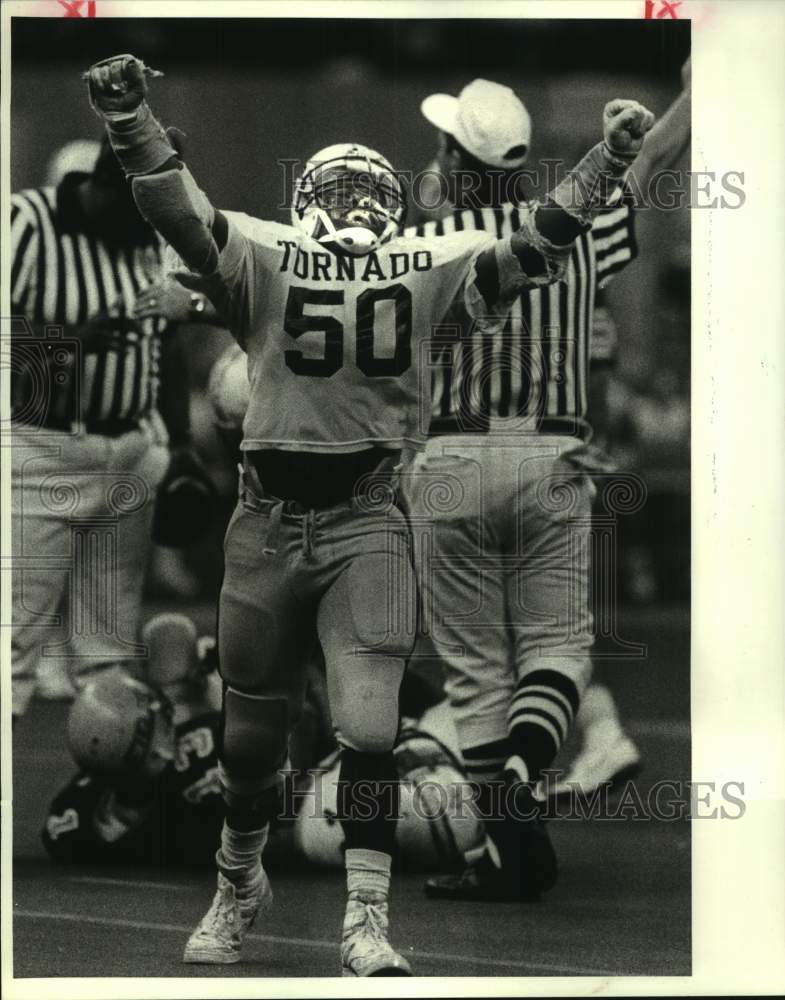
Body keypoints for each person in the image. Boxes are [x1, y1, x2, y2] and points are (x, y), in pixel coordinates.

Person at [85, 51, 652, 975]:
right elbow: (172, 206)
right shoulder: (278, 257)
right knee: (249, 743)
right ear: (316, 197)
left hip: (364, 521)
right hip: (269, 524)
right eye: (339, 191)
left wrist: (604, 165)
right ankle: (238, 884)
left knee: (371, 731)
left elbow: (537, 245)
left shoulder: (411, 262)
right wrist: (130, 120)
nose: (351, 208)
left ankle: (365, 916)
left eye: (362, 192)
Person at [404, 73, 689, 901]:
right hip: (553, 459)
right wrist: (690, 97)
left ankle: (503, 837)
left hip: (452, 464)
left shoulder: (432, 238)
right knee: (557, 650)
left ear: (460, 164)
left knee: (474, 673)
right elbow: (647, 161)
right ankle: (526, 778)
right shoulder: (580, 227)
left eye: (446, 145)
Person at [10, 136, 215, 720]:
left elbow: (169, 344)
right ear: (112, 188)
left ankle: (111, 800)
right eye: (149, 209)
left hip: (129, 449)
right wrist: (64, 344)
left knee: (107, 656)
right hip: (39, 449)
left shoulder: (156, 233)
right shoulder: (23, 221)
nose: (159, 225)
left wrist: (178, 445)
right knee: (13, 649)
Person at [42, 613, 224, 866]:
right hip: (241, 727)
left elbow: (59, 832)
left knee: (167, 635)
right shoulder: (203, 777)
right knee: (170, 633)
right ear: (156, 754)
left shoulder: (72, 818)